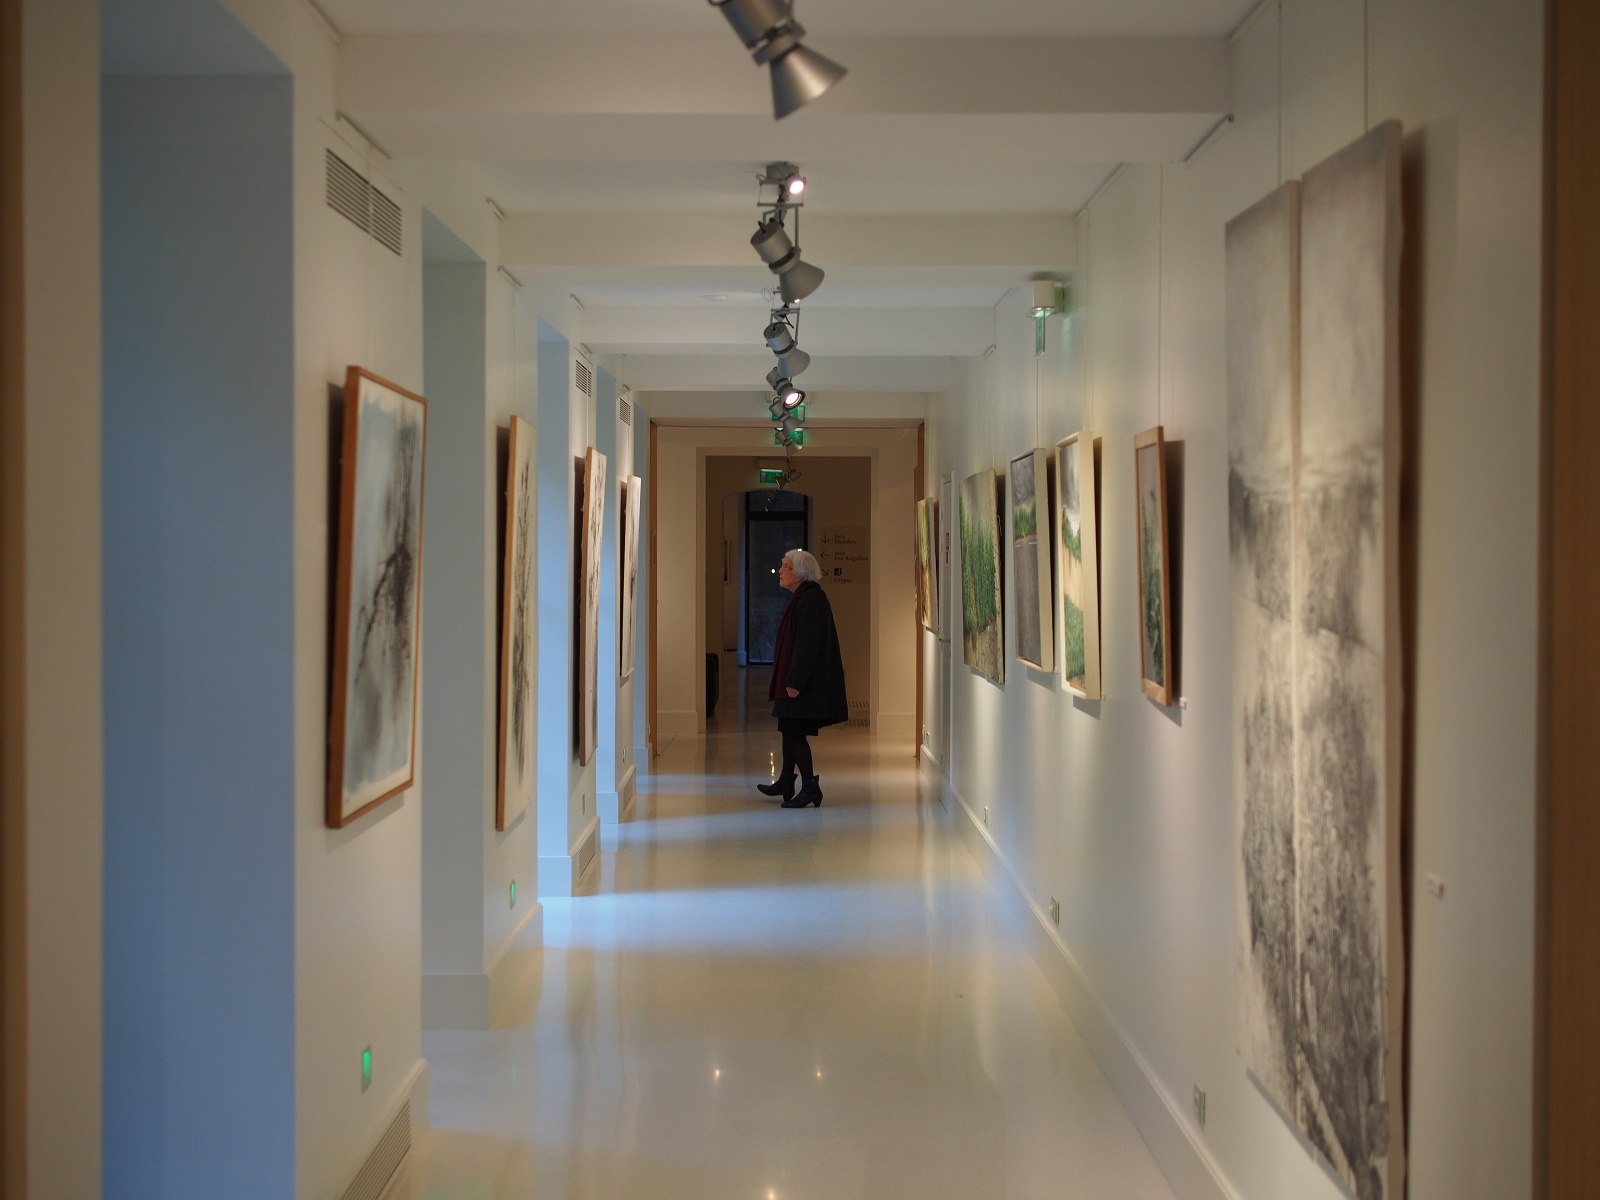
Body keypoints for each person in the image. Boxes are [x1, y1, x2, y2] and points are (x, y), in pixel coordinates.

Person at [757, 548, 848, 808]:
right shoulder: (804, 597)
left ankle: (810, 787)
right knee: (788, 728)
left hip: (805, 682)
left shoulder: (811, 600)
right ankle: (787, 781)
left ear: (800, 573)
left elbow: (807, 645)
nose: (780, 571)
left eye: (786, 567)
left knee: (795, 732)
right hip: (800, 679)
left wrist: (795, 680)